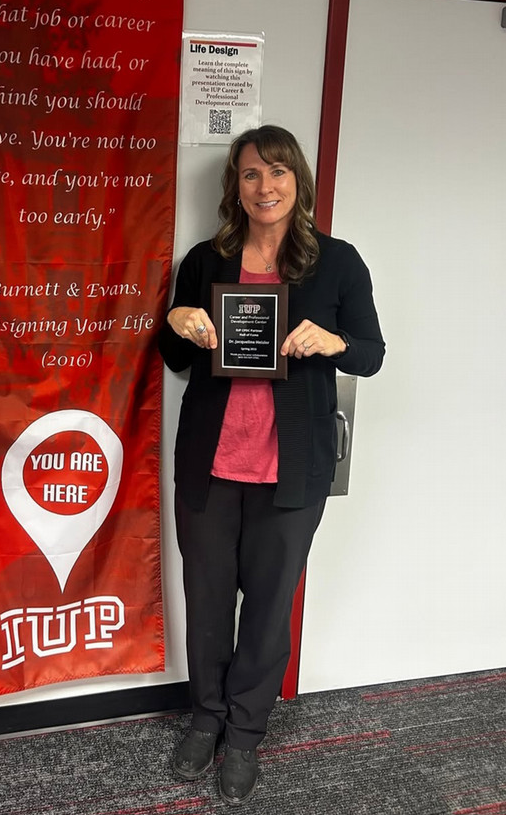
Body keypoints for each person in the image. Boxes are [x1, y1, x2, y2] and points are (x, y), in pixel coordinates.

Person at [158, 125, 384, 805]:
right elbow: (175, 357)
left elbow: (370, 354)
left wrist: (334, 340)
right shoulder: (206, 261)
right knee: (205, 602)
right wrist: (176, 322)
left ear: (297, 181)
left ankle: (245, 734)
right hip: (210, 465)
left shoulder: (337, 262)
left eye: (278, 172)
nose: (265, 186)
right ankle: (206, 719)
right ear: (236, 185)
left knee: (266, 607)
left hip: (291, 471)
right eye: (251, 173)